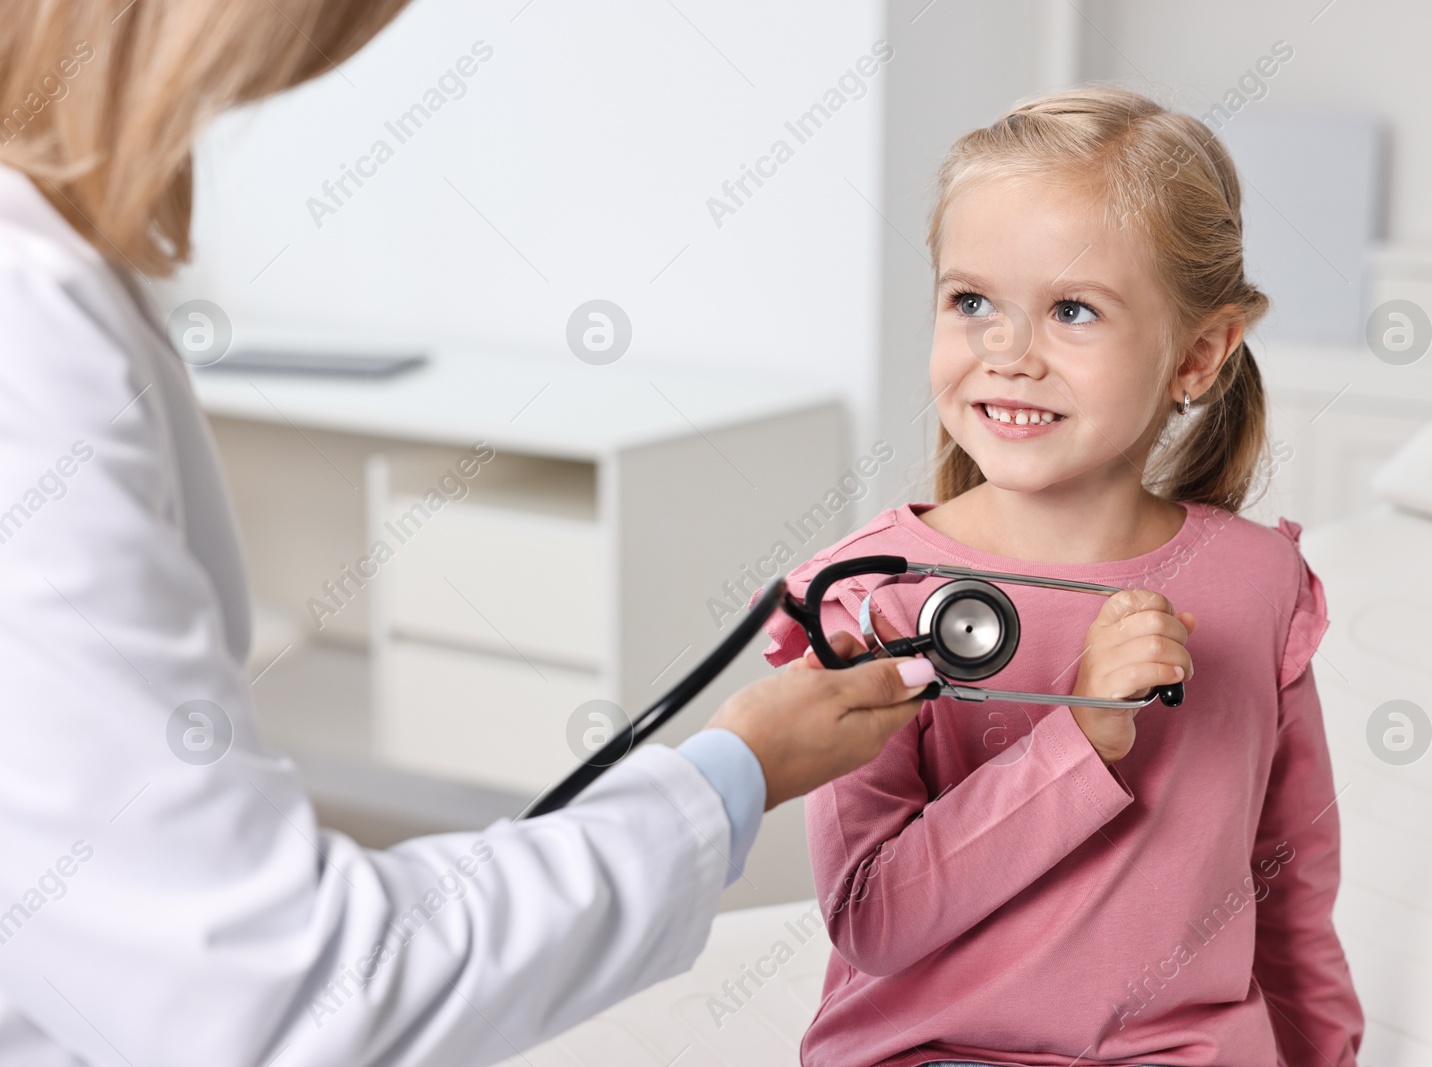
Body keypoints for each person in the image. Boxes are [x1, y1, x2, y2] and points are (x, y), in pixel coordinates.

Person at [0, 3, 937, 1065]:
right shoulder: (25, 320)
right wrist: (736, 772)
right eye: (966, 301)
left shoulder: (50, 276)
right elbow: (271, 992)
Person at [756, 88, 1365, 1066]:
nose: (1006, 353)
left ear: (1197, 355)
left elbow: (1289, 887)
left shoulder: (1259, 584)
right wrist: (1075, 737)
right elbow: (875, 917)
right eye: (971, 302)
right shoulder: (868, 599)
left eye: (1072, 310)